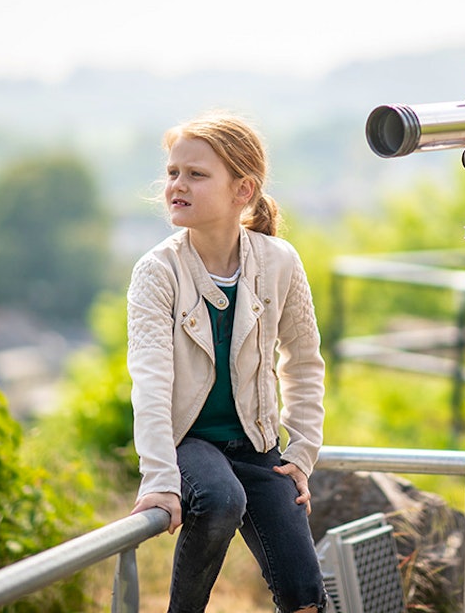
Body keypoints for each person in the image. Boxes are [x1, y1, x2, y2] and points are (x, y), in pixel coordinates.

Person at [126, 111, 327, 613]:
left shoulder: (279, 261)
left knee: (306, 596)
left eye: (196, 174)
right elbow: (149, 382)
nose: (178, 184)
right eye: (173, 172)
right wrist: (159, 480)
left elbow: (303, 361)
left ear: (243, 190)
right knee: (219, 498)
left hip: (257, 443)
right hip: (188, 441)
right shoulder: (157, 271)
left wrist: (301, 454)